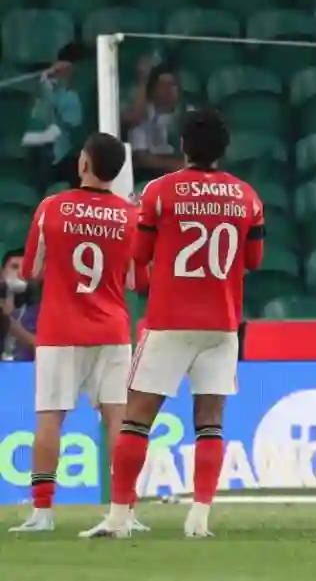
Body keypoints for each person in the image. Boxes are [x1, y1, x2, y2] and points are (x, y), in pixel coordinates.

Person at [81, 108, 264, 539]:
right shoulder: (248, 197)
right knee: (210, 421)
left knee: (136, 419)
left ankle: (119, 518)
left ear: (182, 146)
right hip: (221, 324)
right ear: (224, 149)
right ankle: (199, 518)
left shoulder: (159, 191)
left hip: (169, 322)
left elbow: (139, 255)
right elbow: (253, 260)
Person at [8, 133, 144, 534]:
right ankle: (125, 512)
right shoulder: (130, 216)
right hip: (112, 329)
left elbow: (30, 270)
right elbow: (136, 280)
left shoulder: (52, 207)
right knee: (118, 420)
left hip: (59, 329)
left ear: (83, 163)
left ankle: (42, 513)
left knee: (50, 418)